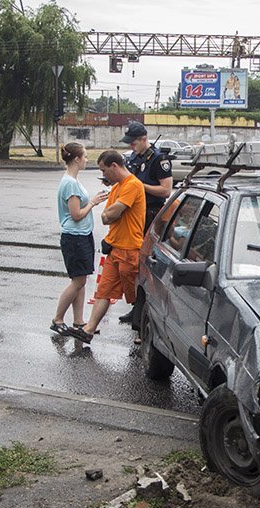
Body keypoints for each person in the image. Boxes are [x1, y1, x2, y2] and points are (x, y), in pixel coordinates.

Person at [66, 150, 146, 344]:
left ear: (114, 166)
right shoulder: (118, 187)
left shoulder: (133, 185)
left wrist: (112, 213)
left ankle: (143, 332)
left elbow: (112, 213)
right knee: (104, 291)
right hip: (114, 248)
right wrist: (112, 213)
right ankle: (89, 330)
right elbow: (105, 217)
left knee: (135, 296)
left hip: (130, 249)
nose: (103, 175)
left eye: (104, 170)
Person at [118, 121, 173, 325]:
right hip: (135, 215)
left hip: (151, 214)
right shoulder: (134, 158)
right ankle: (136, 306)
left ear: (144, 139)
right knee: (134, 262)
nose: (131, 147)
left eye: (133, 143)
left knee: (147, 262)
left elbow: (166, 190)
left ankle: (146, 309)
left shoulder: (159, 159)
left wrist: (140, 186)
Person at [50, 142, 100, 337]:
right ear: (77, 159)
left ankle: (78, 321)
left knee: (81, 280)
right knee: (77, 281)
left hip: (82, 235)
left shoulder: (73, 180)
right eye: (85, 156)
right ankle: (57, 319)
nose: (87, 159)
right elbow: (76, 214)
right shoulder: (70, 183)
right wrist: (93, 203)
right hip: (75, 237)